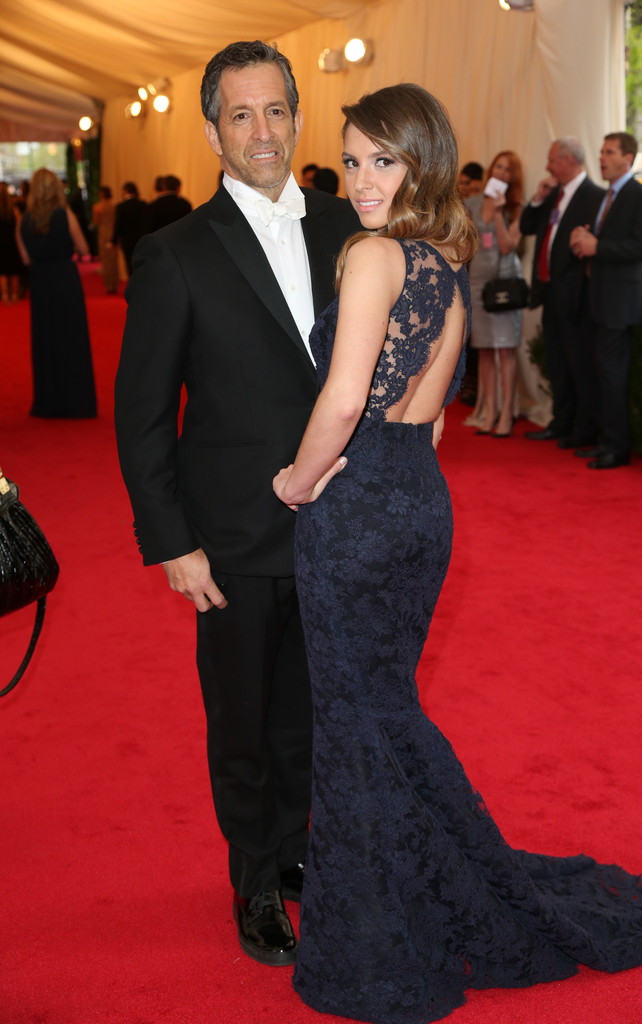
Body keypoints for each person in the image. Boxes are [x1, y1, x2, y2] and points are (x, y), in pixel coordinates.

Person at [273, 84, 642, 1024]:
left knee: (355, 719)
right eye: (352, 160)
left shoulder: (374, 255)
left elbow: (344, 400)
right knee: (385, 710)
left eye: (382, 160)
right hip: (420, 502)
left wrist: (296, 482)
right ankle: (430, 884)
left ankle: (380, 938)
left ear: (420, 160)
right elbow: (435, 420)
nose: (362, 179)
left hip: (356, 509)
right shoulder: (443, 257)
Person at [114, 40, 359, 968]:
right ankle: (254, 877)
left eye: (275, 110)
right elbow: (142, 414)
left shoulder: (348, 226)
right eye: (240, 115)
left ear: (297, 118)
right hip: (229, 539)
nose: (262, 131)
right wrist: (171, 541)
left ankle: (298, 850)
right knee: (244, 721)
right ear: (214, 132)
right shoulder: (174, 253)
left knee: (313, 712)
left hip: (338, 528)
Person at [570, 132, 642, 469]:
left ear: (628, 158)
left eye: (609, 152)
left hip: (620, 302)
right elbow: (604, 239)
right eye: (601, 151)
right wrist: (584, 238)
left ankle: (617, 447)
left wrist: (598, 246)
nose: (602, 158)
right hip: (598, 298)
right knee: (601, 373)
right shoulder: (606, 196)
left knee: (611, 375)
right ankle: (605, 441)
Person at [520, 137, 604, 447]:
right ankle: (561, 421)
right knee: (557, 361)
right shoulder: (554, 194)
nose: (547, 166)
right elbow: (527, 226)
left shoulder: (595, 197)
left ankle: (583, 430)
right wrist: (538, 199)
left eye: (552, 160)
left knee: (579, 364)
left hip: (576, 295)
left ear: (568, 160)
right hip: (550, 291)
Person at [17, 168, 97, 418]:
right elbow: (84, 248)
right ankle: (76, 401)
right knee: (71, 338)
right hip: (65, 280)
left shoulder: (24, 219)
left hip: (41, 282)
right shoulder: (65, 214)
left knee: (46, 339)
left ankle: (48, 401)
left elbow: (25, 258)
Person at [464, 151, 525, 437]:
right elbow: (465, 242)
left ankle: (506, 415)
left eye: (508, 170)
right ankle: (488, 413)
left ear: (513, 177)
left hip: (505, 283)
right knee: (485, 350)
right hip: (478, 280)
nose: (501, 173)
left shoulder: (516, 207)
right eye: (499, 167)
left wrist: (499, 214)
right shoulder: (473, 203)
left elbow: (508, 246)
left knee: (505, 349)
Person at [110, 181, 147, 276]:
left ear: (125, 191)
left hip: (127, 240)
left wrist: (114, 241)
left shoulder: (121, 206)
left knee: (129, 264)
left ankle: (133, 282)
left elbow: (118, 225)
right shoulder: (143, 205)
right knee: (142, 264)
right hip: (141, 239)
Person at [91, 185, 119, 293]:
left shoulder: (97, 207)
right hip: (113, 233)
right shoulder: (115, 205)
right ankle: (115, 283)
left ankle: (108, 285)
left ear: (101, 194)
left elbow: (96, 222)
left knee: (105, 259)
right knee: (114, 259)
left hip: (103, 233)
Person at [0, 181, 22, 303]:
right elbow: (20, 226)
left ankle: (4, 295)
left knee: (2, 270)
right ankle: (14, 295)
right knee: (14, 270)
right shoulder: (14, 210)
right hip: (13, 242)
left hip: (1, 243)